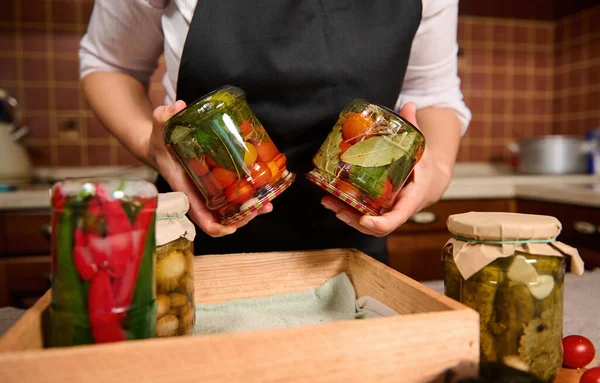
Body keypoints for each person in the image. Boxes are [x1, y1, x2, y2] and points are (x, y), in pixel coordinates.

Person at [79, 0, 471, 265]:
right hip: (195, 234)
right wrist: (152, 147)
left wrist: (433, 174)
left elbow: (433, 93)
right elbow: (109, 62)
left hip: (349, 246)